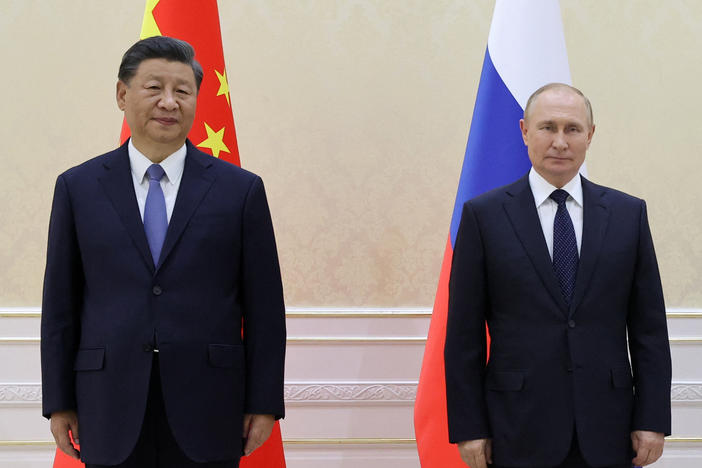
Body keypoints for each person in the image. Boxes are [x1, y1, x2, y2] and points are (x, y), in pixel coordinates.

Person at [40, 36, 286, 468]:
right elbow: (60, 304)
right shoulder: (77, 188)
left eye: (183, 91)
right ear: (122, 94)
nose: (169, 103)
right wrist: (58, 402)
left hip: (210, 404)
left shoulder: (240, 190)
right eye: (154, 88)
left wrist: (265, 402)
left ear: (196, 99)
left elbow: (265, 308)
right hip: (107, 404)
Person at [444, 83, 671, 468]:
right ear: (524, 131)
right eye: (548, 127)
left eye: (572, 129)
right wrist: (469, 427)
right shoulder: (484, 216)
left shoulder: (628, 214)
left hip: (609, 428)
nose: (560, 142)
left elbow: (649, 329)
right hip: (516, 427)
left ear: (590, 135)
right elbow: (463, 335)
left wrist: (652, 419)